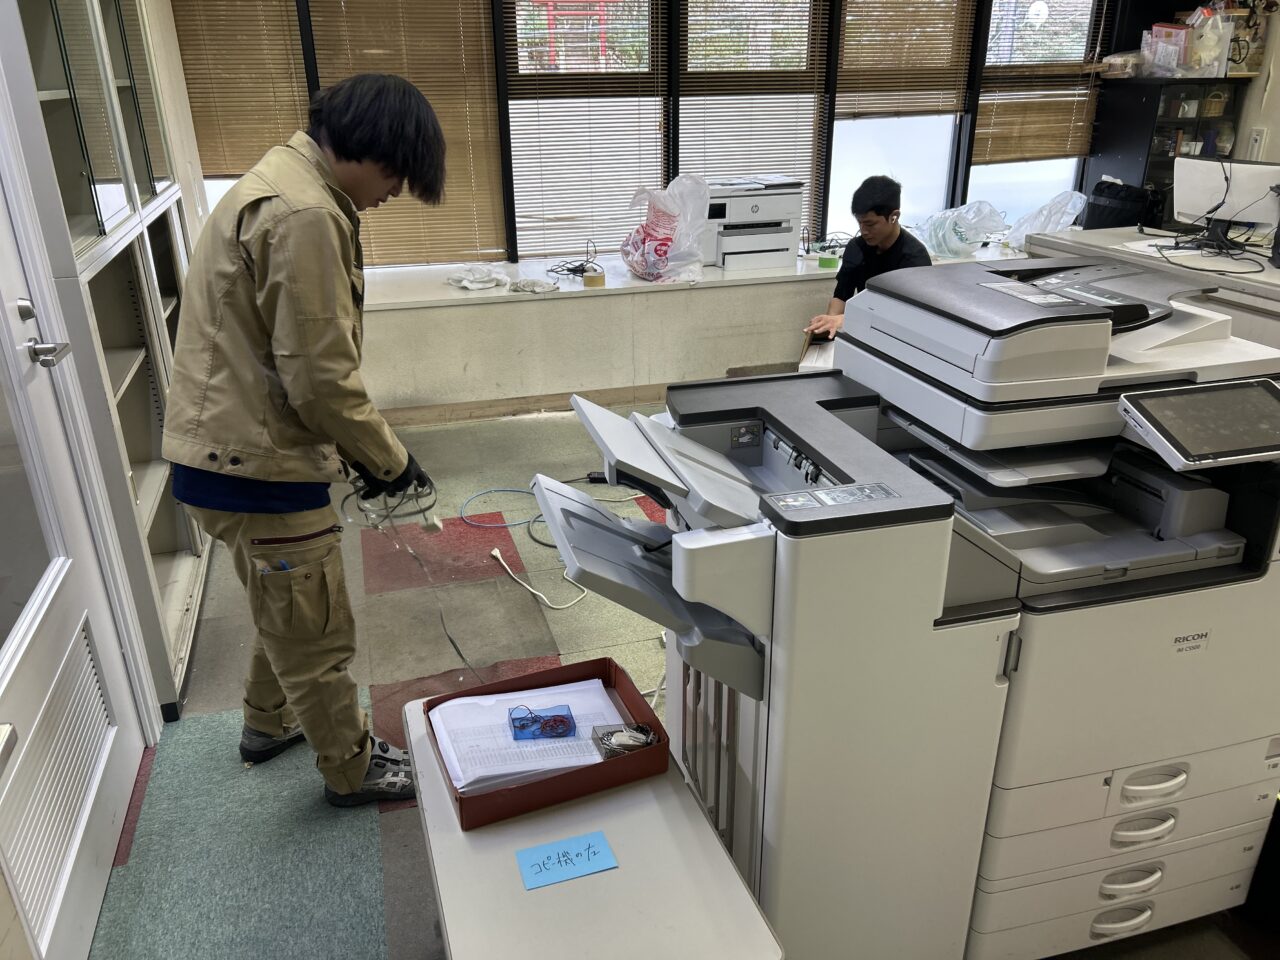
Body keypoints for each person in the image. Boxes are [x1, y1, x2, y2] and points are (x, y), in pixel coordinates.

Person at [161, 74, 445, 806]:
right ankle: (350, 769)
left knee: (285, 598)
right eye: (398, 177)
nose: (393, 194)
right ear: (374, 148)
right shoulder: (307, 213)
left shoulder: (279, 180)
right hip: (257, 463)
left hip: (222, 451)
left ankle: (269, 720)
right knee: (315, 624)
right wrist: (391, 461)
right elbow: (320, 381)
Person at [805, 175, 932, 339]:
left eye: (870, 224)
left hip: (899, 337)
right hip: (862, 329)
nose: (864, 231)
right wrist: (829, 323)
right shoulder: (857, 247)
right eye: (860, 223)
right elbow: (841, 296)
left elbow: (904, 315)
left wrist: (842, 320)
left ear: (894, 216)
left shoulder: (914, 259)